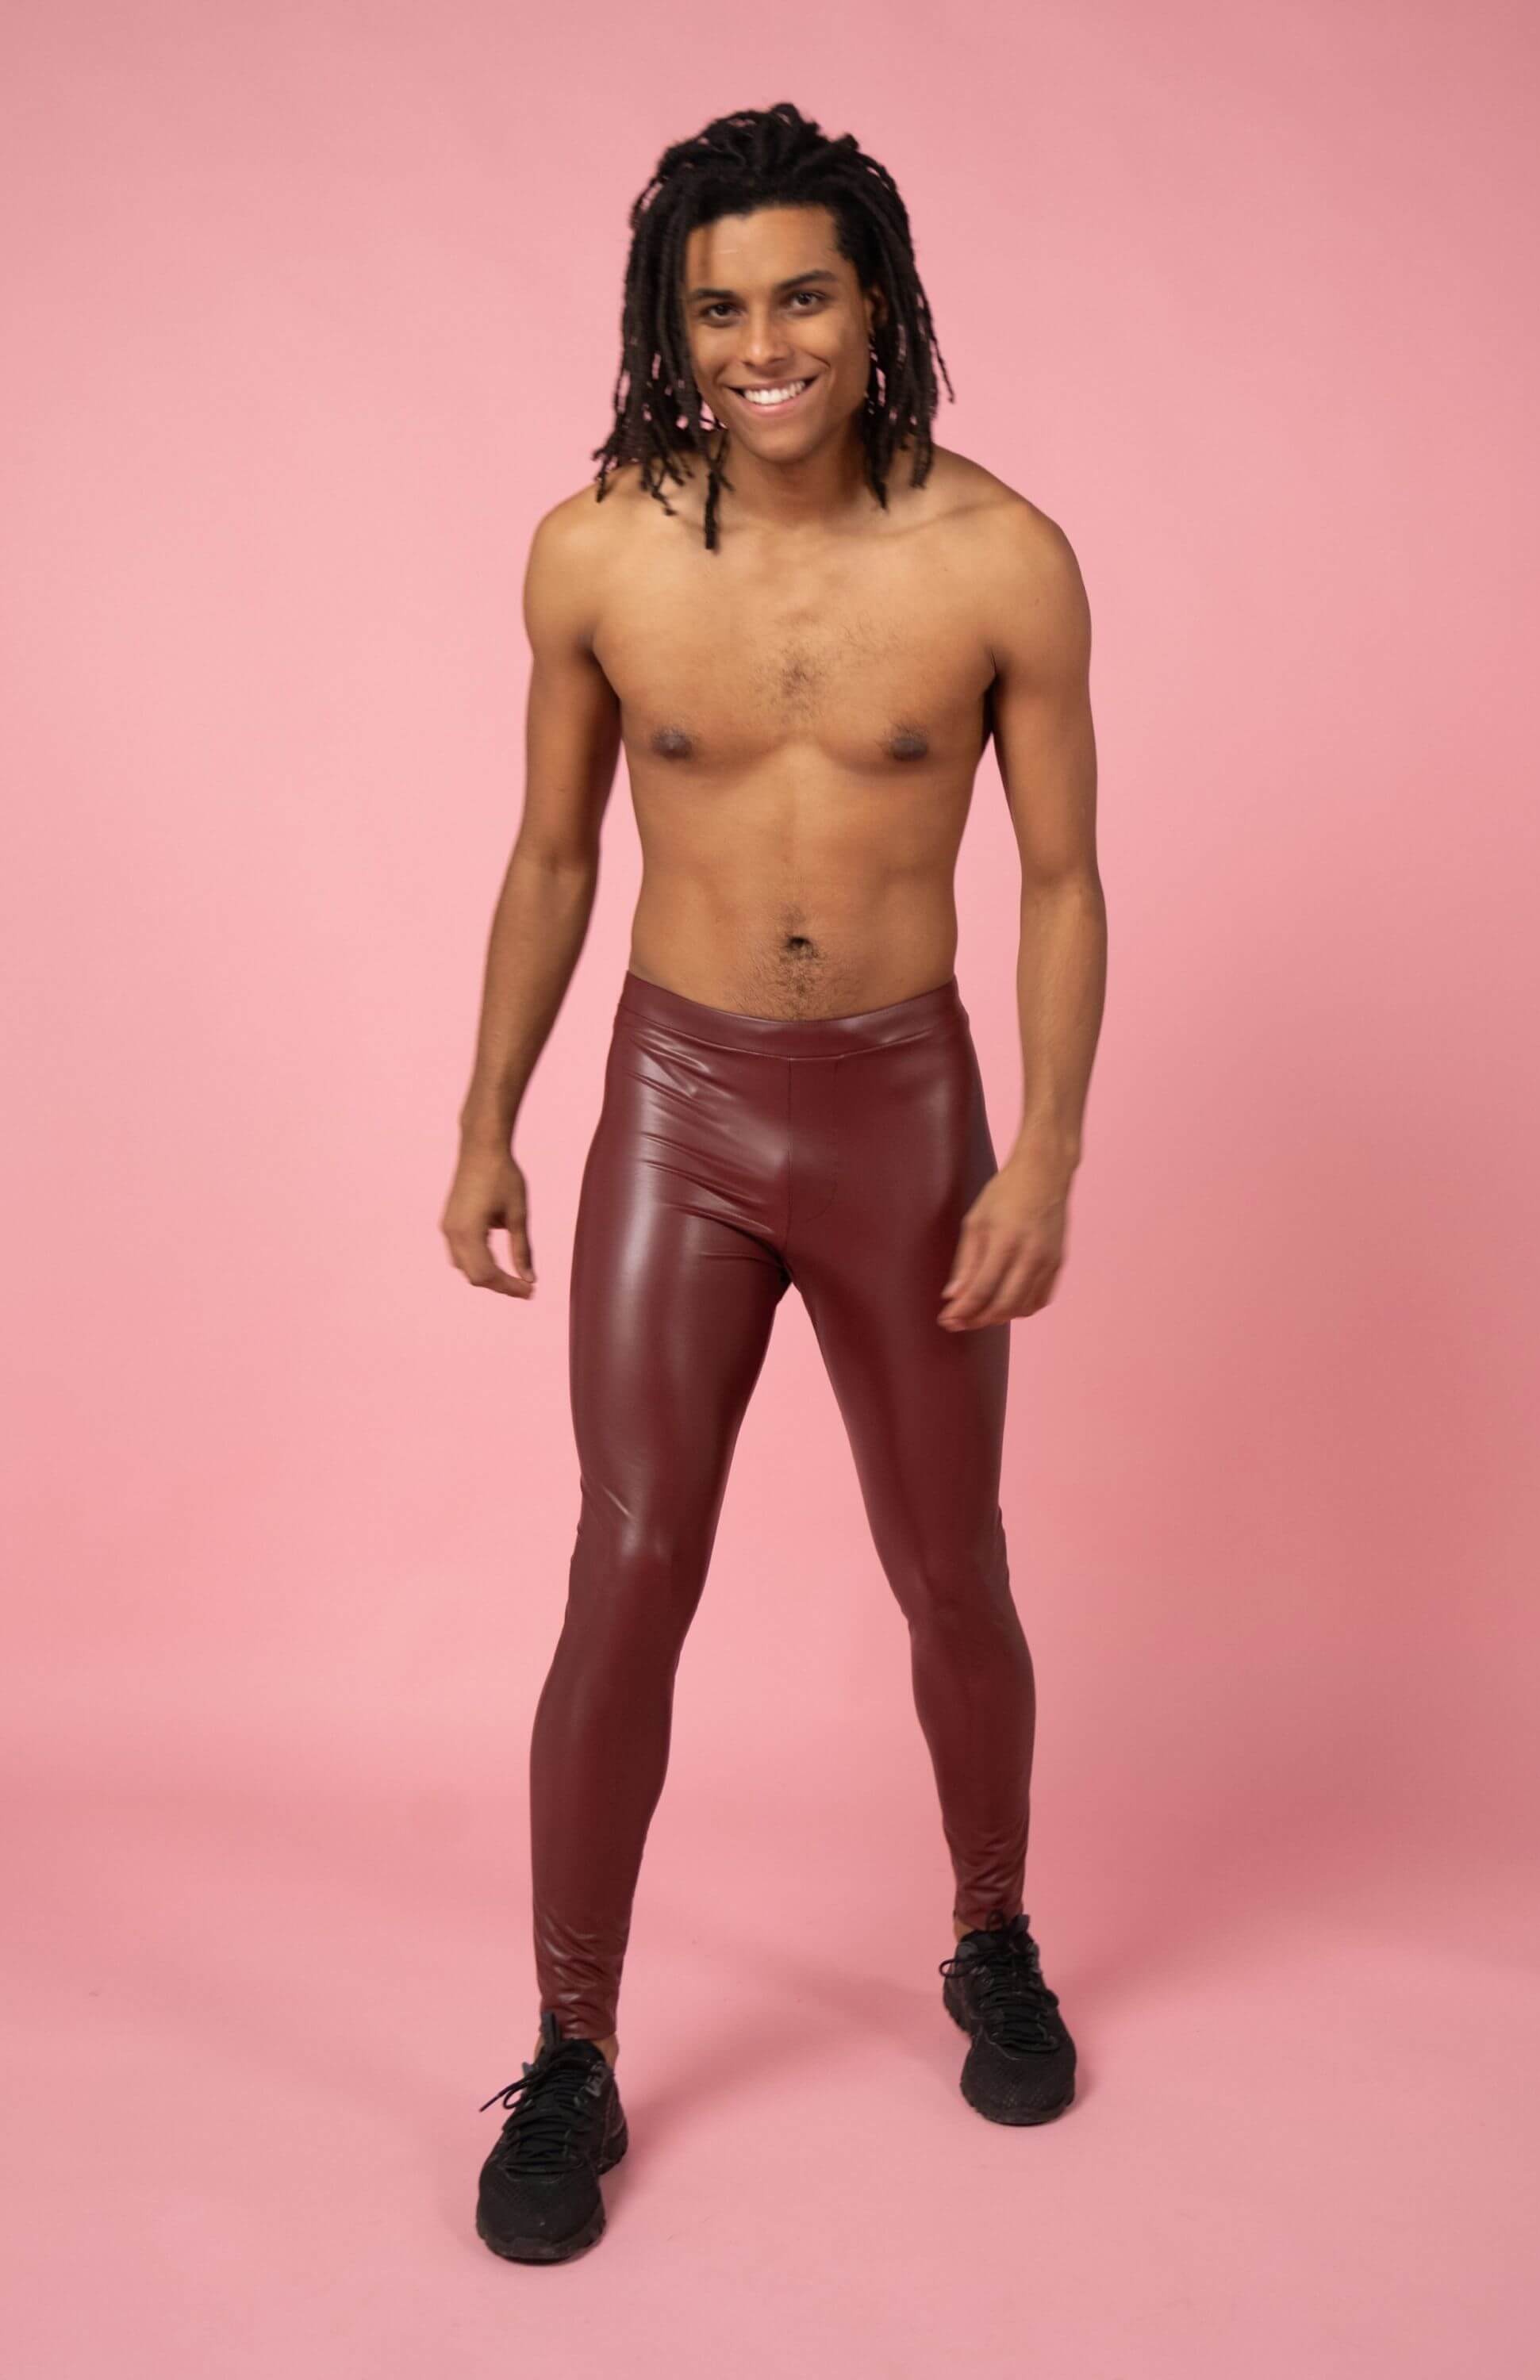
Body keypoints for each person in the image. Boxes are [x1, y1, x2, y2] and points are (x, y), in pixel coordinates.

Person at [442, 101, 1106, 2265]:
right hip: (679, 1105)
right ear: (674, 327)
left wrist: (1045, 1149)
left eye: (802, 297)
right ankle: (571, 2050)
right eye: (718, 310)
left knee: (951, 1567)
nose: (763, 348)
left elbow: (1064, 879)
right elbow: (555, 853)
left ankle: (992, 1935)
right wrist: (487, 1116)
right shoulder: (595, 554)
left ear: (876, 302)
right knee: (626, 1571)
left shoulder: (1004, 557)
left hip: (908, 1109)